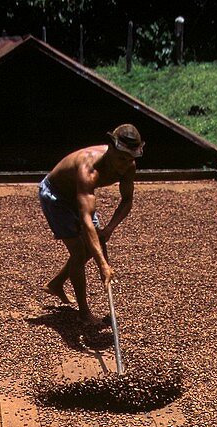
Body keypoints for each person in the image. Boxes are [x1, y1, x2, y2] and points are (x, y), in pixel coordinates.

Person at [38, 124, 144, 324]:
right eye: (121, 158)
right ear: (111, 148)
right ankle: (84, 313)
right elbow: (86, 219)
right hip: (56, 196)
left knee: (91, 249)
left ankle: (56, 284)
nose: (125, 164)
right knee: (80, 252)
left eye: (130, 159)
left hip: (80, 197)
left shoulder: (129, 166)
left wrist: (109, 229)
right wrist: (103, 265)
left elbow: (127, 200)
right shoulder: (89, 168)